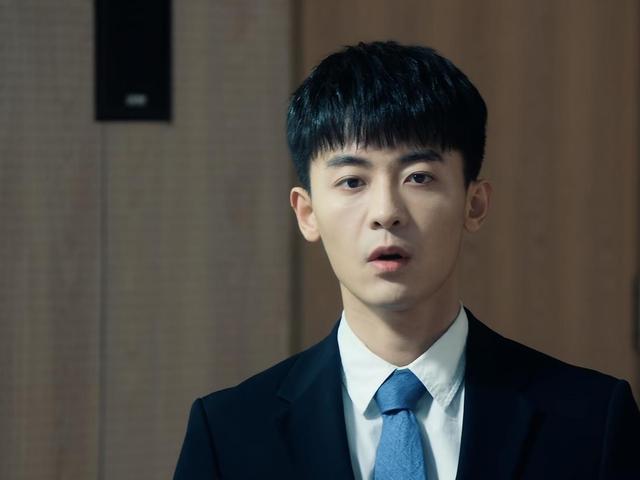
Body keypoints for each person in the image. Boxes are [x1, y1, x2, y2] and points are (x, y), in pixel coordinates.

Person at [173, 41, 639, 479]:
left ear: (474, 204)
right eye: (352, 181)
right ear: (307, 213)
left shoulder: (592, 420)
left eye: (418, 177)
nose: (386, 212)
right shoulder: (229, 434)